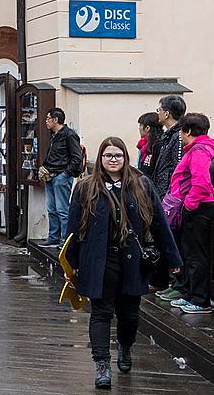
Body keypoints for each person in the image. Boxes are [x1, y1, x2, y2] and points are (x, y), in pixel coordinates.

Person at [64, 137, 181, 389]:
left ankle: (125, 348)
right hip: (98, 260)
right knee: (101, 313)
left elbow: (159, 223)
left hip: (132, 260)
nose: (113, 160)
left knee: (129, 315)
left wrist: (172, 258)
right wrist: (70, 263)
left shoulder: (141, 184)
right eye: (108, 156)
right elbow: (73, 228)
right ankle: (102, 365)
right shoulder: (86, 187)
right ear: (101, 159)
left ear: (125, 158)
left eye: (118, 155)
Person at [167, 113, 214, 314]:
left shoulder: (199, 151)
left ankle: (199, 300)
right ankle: (192, 294)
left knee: (196, 256)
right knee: (197, 254)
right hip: (204, 207)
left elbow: (201, 183)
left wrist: (188, 205)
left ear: (186, 131)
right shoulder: (206, 148)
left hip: (199, 209)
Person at [152, 95, 188, 301]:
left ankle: (179, 283)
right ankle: (170, 281)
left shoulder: (178, 136)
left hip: (172, 198)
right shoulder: (168, 135)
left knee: (175, 241)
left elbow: (177, 167)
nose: (157, 112)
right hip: (163, 194)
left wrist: (171, 194)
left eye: (159, 109)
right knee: (166, 240)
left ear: (167, 113)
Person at [39, 107, 83, 247]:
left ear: (55, 120)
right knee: (52, 209)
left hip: (61, 176)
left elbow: (77, 157)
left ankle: (65, 240)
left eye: (48, 118)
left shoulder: (69, 135)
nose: (46, 121)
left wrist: (65, 174)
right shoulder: (55, 134)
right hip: (51, 175)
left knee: (62, 209)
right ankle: (54, 237)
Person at [136, 112, 163, 178]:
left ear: (147, 128)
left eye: (140, 125)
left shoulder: (159, 146)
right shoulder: (143, 146)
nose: (139, 128)